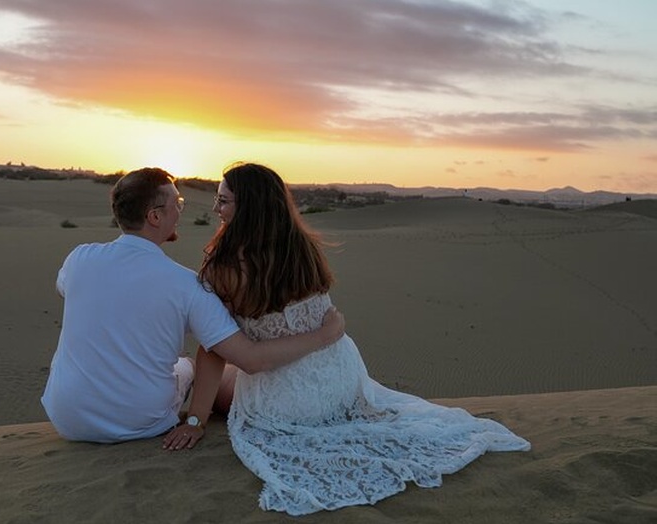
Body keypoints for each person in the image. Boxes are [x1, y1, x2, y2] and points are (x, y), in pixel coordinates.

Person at [165, 163, 530, 515]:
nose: (216, 208)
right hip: (342, 380)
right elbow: (314, 325)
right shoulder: (304, 249)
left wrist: (196, 419)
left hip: (288, 398)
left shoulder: (224, 267)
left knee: (210, 381)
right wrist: (325, 335)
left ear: (251, 209)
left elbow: (215, 349)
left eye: (224, 200)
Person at [40, 167, 345, 444]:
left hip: (67, 419)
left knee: (183, 360)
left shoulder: (78, 257)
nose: (182, 211)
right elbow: (247, 358)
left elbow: (64, 291)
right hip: (141, 422)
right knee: (186, 364)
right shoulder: (186, 285)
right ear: (155, 217)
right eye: (178, 203)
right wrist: (324, 336)